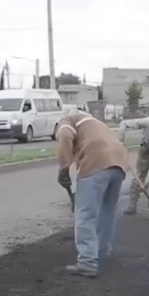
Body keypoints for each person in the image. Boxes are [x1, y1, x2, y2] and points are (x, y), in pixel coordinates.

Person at [56, 112, 128, 278]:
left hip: (96, 162)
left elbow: (65, 134)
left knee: (85, 215)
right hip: (119, 162)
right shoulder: (95, 123)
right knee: (107, 211)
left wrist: (64, 168)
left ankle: (87, 262)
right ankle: (102, 253)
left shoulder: (65, 122)